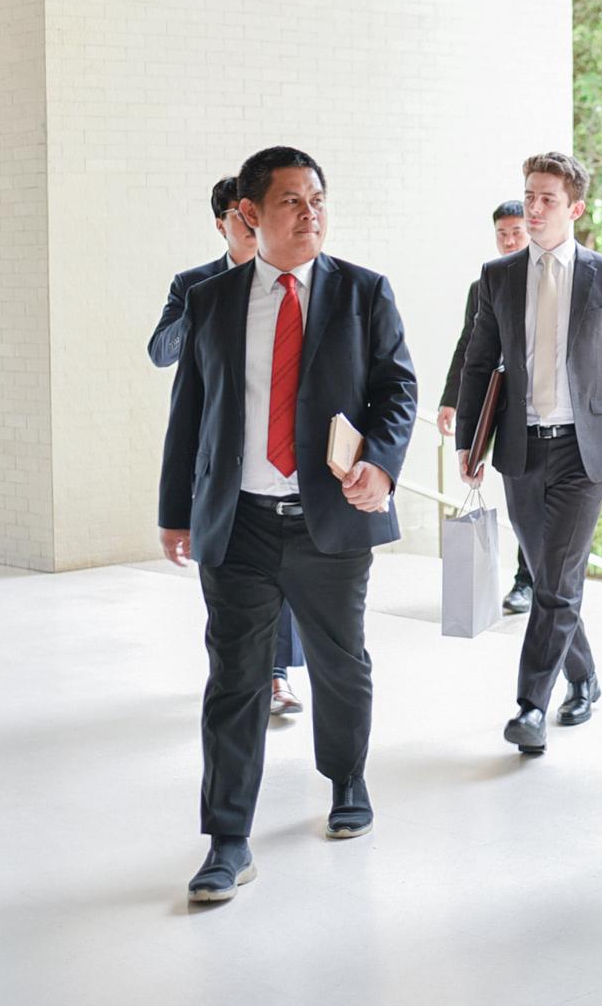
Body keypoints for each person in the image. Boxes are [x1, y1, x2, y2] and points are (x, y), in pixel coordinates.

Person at [158, 146, 419, 903]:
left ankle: (346, 781)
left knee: (341, 664)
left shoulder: (363, 292)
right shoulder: (212, 300)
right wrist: (175, 512)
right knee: (234, 679)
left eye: (317, 200)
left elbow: (397, 389)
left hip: (328, 519)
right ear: (248, 214)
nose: (310, 215)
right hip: (237, 522)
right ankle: (227, 838)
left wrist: (381, 464)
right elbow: (190, 413)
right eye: (291, 202)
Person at [455, 151, 602, 757]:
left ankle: (530, 707)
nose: (534, 208)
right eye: (529, 196)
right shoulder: (497, 277)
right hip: (519, 448)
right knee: (551, 580)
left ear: (576, 209)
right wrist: (468, 441)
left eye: (547, 199)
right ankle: (585, 677)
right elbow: (477, 362)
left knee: (559, 579)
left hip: (584, 451)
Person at [148, 176, 308, 717]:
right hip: (222, 459)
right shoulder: (195, 285)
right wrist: (202, 309)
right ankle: (240, 674)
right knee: (233, 582)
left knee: (282, 574)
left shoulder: (294, 280)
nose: (254, 222)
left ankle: (276, 676)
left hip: (282, 457)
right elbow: (160, 352)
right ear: (223, 224)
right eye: (243, 215)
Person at [437, 200, 537, 614]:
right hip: (505, 406)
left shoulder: (551, 279)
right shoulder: (485, 284)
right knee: (522, 504)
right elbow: (469, 346)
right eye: (503, 234)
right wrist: (451, 400)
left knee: (544, 505)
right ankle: (529, 580)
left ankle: (532, 580)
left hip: (550, 409)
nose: (510, 240)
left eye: (517, 232)